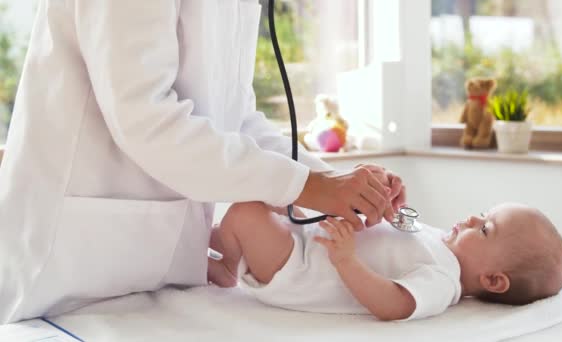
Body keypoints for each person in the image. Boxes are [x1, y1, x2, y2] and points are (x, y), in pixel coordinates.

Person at [0, 1, 405, 323]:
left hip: (154, 268)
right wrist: (311, 187)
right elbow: (145, 118)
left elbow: (237, 120)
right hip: (62, 267)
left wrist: (340, 186)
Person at [208, 202, 562, 321]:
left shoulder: (444, 280)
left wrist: (347, 260)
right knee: (270, 192)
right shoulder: (439, 240)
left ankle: (227, 269)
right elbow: (390, 232)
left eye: (487, 229)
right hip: (307, 240)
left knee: (245, 212)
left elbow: (393, 304)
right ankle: (216, 246)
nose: (473, 220)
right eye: (481, 214)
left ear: (493, 280)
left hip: (300, 270)